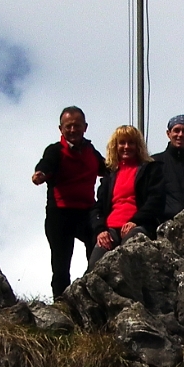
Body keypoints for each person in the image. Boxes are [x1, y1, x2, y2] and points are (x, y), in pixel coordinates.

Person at [32, 106, 107, 299]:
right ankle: (62, 306)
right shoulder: (55, 150)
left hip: (86, 213)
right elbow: (47, 163)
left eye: (77, 126)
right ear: (61, 129)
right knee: (61, 265)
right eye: (68, 126)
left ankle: (92, 296)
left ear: (85, 127)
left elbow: (107, 168)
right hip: (60, 214)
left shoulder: (91, 151)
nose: (73, 130)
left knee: (99, 252)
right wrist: (40, 174)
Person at [90, 125, 164, 265]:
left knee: (127, 261)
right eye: (122, 143)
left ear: (138, 146)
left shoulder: (150, 170)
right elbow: (97, 207)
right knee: (94, 266)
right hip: (110, 229)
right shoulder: (110, 175)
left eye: (131, 143)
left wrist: (135, 221)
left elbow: (156, 200)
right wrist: (100, 230)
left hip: (138, 226)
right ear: (115, 146)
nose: (126, 147)